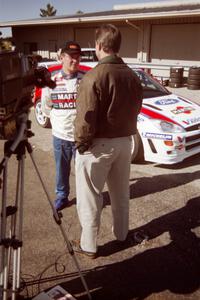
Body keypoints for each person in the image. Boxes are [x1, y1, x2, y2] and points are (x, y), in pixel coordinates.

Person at [73, 24, 143, 258]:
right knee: (121, 193)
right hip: (125, 142)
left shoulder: (93, 76)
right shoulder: (133, 76)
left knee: (90, 197)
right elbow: (137, 108)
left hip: (99, 145)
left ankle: (89, 245)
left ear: (99, 46)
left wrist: (82, 144)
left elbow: (85, 117)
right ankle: (121, 234)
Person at [41, 41, 85, 211]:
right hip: (60, 136)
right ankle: (62, 196)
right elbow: (46, 107)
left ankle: (84, 198)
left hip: (81, 137)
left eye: (78, 57)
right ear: (61, 58)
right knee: (61, 170)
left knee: (83, 172)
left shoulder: (86, 80)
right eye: (71, 57)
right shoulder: (51, 82)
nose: (75, 60)